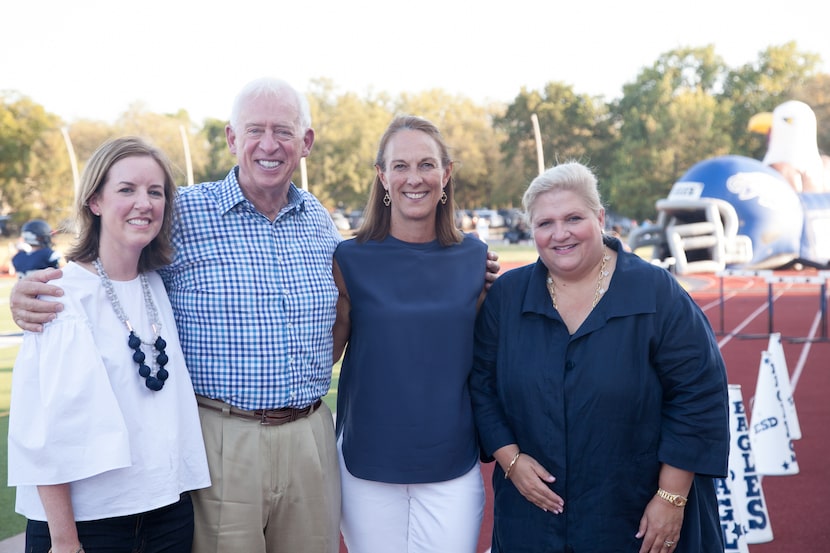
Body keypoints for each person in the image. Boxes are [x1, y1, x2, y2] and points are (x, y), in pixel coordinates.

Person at [10, 78, 500, 553]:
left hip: (310, 432)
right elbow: (117, 251)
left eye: (284, 131)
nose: (270, 144)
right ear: (231, 139)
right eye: (255, 130)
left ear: (305, 142)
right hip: (224, 435)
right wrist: (39, 290)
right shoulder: (186, 215)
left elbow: (362, 314)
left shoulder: (320, 224)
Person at [469, 161, 729, 553]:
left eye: (574, 218)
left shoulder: (655, 292)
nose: (560, 234)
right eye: (545, 223)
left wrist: (671, 499)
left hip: (635, 516)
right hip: (534, 521)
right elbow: (481, 386)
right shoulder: (507, 297)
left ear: (600, 217)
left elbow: (699, 393)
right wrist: (511, 460)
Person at [7, 136, 210, 553]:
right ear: (95, 201)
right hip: (89, 526)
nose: (144, 202)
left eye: (155, 192)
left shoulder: (158, 285)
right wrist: (66, 542)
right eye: (127, 189)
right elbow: (40, 432)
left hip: (168, 513)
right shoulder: (59, 297)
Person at [332, 115, 487, 553]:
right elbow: (324, 354)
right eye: (400, 166)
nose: (413, 178)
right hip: (367, 462)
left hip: (451, 463)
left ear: (446, 174)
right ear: (382, 177)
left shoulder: (476, 258)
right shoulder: (348, 258)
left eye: (426, 165)